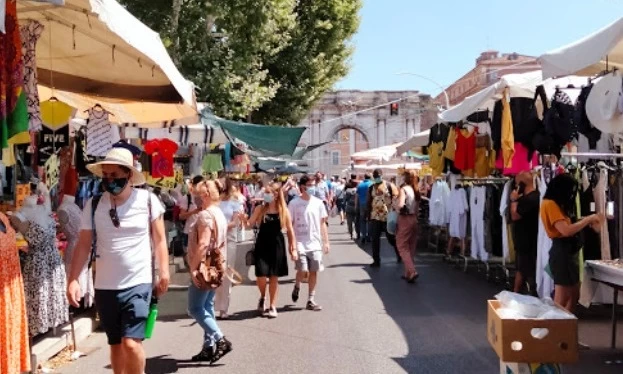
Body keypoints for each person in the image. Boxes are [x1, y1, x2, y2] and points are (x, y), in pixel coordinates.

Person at [66, 148, 169, 374]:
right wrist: (73, 279)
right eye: (106, 175)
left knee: (131, 344)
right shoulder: (93, 205)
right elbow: (83, 245)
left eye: (114, 175)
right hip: (105, 286)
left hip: (138, 283)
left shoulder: (148, 201)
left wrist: (164, 271)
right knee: (115, 344)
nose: (109, 180)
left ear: (129, 175)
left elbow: (160, 240)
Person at [540, 173, 602, 313]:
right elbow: (566, 230)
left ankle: (565, 326)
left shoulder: (555, 204)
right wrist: (587, 220)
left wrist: (583, 220)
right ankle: (555, 328)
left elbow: (566, 225)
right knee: (561, 296)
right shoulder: (550, 204)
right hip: (562, 252)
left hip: (568, 252)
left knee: (574, 294)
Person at [187, 180, 233, 363]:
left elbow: (204, 244)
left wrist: (193, 267)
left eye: (198, 195)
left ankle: (220, 339)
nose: (196, 198)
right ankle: (208, 346)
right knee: (207, 306)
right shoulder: (218, 213)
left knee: (195, 308)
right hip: (215, 267)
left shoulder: (206, 216)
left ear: (205, 195)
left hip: (204, 268)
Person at [243, 182, 297, 318]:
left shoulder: (283, 210)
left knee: (274, 276)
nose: (265, 196)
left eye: (268, 193)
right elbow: (249, 225)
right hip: (262, 243)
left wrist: (293, 248)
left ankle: (273, 305)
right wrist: (244, 220)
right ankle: (262, 296)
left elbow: (290, 230)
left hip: (277, 244)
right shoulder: (260, 209)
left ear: (276, 195)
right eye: (265, 193)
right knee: (260, 275)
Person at [289, 175, 330, 311]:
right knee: (303, 269)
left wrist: (326, 242)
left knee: (314, 271)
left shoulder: (318, 203)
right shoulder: (294, 203)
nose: (312, 188)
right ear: (302, 186)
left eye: (313, 185)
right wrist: (292, 245)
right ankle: (297, 285)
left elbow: (323, 223)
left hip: (315, 243)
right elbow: (290, 225)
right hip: (300, 242)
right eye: (310, 185)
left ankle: (310, 299)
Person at [215, 178, 245, 319]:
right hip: (214, 240)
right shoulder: (214, 202)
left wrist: (222, 227)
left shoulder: (235, 202)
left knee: (227, 272)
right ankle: (212, 304)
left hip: (229, 239)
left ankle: (223, 308)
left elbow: (235, 222)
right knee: (214, 271)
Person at [510, 171, 540, 294]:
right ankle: (520, 291)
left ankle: (518, 292)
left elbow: (515, 216)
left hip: (527, 239)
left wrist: (513, 200)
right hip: (527, 238)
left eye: (517, 184)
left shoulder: (530, 199)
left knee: (523, 267)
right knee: (522, 267)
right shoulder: (534, 196)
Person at [367, 169, 400, 267]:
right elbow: (369, 201)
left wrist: (395, 208)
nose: (377, 178)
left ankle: (399, 254)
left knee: (391, 238)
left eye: (379, 176)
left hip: (387, 217)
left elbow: (396, 197)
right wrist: (368, 214)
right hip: (375, 217)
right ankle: (376, 260)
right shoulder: (371, 187)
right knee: (375, 239)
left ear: (382, 175)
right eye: (375, 176)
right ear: (373, 177)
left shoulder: (389, 186)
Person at [395, 170, 421, 282]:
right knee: (411, 247)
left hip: (405, 219)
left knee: (401, 245)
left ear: (405, 178)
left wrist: (394, 206)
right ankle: (408, 273)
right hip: (414, 219)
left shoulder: (404, 189)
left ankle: (412, 270)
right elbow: (417, 208)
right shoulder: (416, 190)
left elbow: (400, 205)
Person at [178, 175, 206, 266]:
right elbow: (181, 216)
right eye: (199, 185)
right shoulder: (187, 198)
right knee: (191, 260)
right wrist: (194, 211)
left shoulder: (205, 198)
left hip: (203, 232)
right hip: (189, 232)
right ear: (193, 185)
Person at [356, 174, 373, 243]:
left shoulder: (360, 185)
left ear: (364, 177)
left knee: (362, 220)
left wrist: (356, 205)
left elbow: (357, 196)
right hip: (370, 205)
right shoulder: (372, 184)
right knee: (370, 220)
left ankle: (363, 235)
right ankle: (369, 236)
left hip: (361, 204)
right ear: (370, 177)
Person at [344, 175, 359, 240]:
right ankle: (358, 234)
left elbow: (345, 199)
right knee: (357, 222)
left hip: (349, 207)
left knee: (349, 222)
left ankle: (351, 234)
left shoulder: (347, 190)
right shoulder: (358, 190)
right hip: (357, 208)